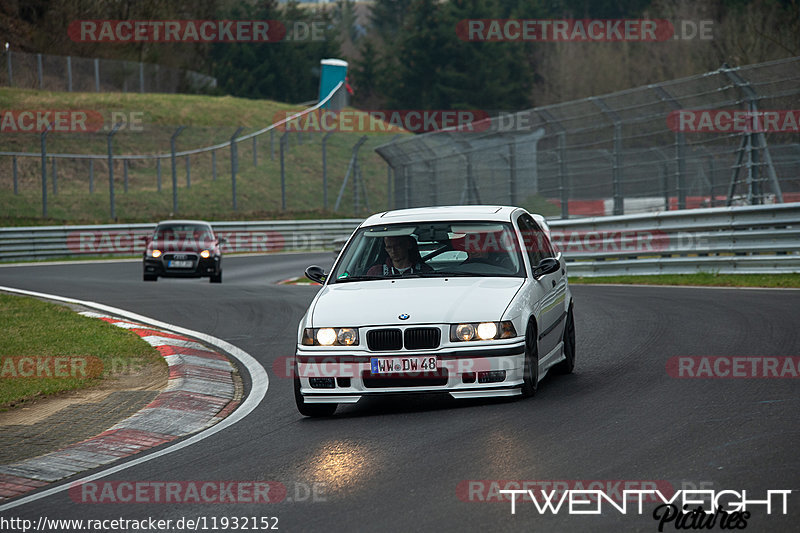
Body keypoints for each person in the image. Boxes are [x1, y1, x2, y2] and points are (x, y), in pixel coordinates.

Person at [367, 235, 432, 276]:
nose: (393, 251)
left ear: (408, 245)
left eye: (397, 246)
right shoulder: (375, 272)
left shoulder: (425, 271)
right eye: (389, 247)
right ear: (385, 249)